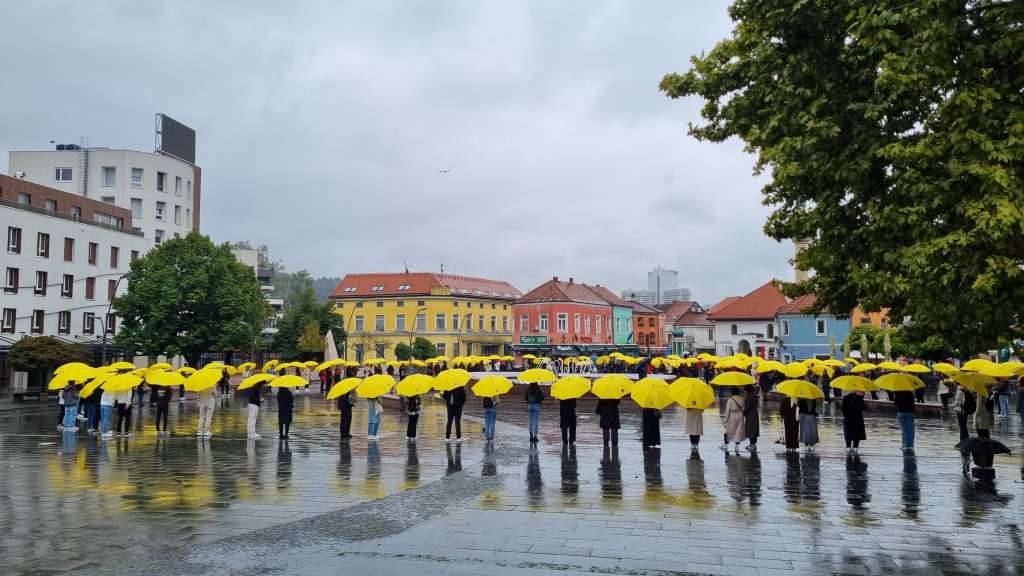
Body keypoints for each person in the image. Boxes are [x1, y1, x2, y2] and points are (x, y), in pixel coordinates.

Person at [744, 385, 760, 451]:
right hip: (755, 413)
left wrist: (744, 413)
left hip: (750, 415)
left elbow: (747, 407)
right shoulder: (754, 395)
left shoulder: (749, 397)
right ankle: (753, 444)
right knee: (754, 429)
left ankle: (752, 444)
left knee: (751, 429)